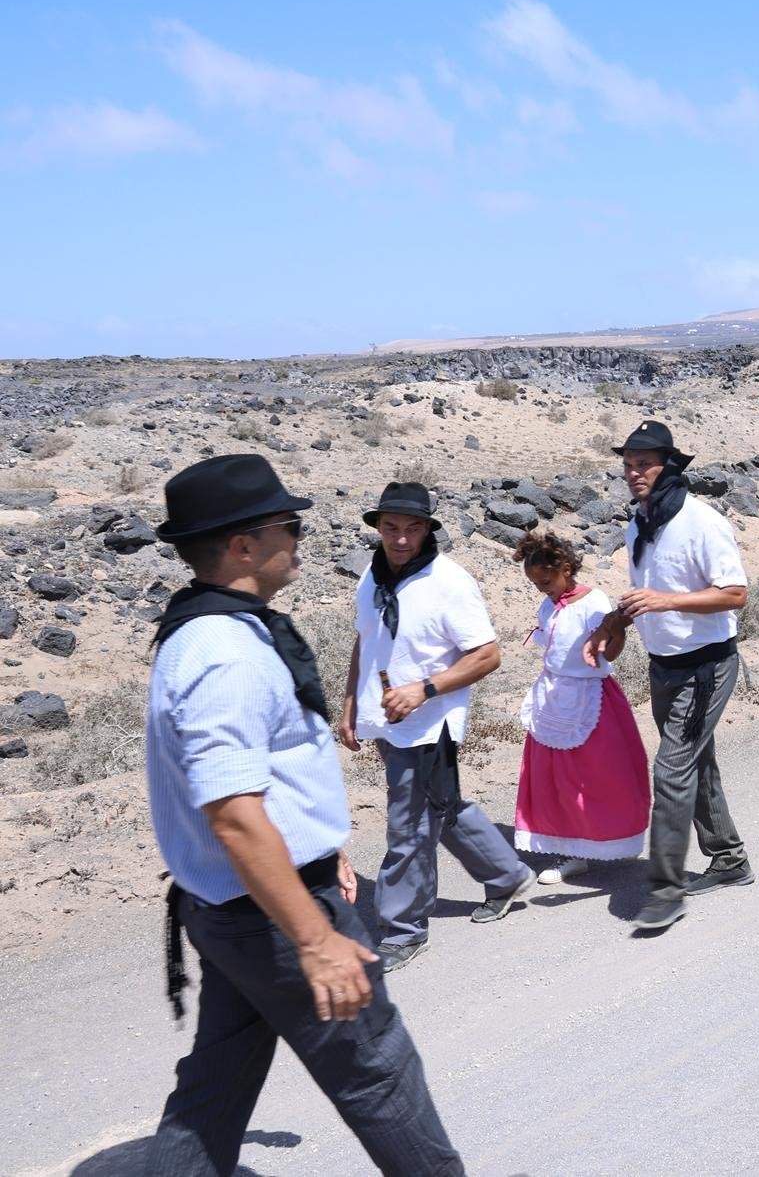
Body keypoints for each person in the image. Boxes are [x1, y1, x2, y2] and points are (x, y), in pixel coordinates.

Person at [145, 455, 461, 1174]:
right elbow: (233, 813)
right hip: (276, 915)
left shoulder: (207, 630)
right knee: (380, 1078)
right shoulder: (225, 652)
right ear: (242, 545)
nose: (298, 538)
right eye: (288, 525)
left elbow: (264, 781)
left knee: (213, 1091)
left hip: (236, 904)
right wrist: (316, 939)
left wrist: (324, 845)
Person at [340, 482, 533, 973]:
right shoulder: (372, 576)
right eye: (391, 528)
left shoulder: (449, 581)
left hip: (429, 724)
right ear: (377, 528)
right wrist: (350, 703)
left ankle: (402, 928)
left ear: (428, 529)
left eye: (413, 528)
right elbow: (366, 641)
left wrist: (423, 690)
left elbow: (487, 654)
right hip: (388, 719)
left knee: (408, 823)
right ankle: (506, 874)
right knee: (439, 806)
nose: (401, 538)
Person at [584, 421, 752, 933]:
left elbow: (735, 594)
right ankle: (728, 858)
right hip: (665, 664)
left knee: (672, 769)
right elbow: (647, 592)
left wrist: (666, 602)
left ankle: (664, 891)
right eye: (628, 466)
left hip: (707, 665)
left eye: (644, 465)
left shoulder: (702, 522)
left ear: (669, 467)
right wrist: (614, 623)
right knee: (696, 762)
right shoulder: (641, 523)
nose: (633, 474)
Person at [510, 529, 650, 884]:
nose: (542, 589)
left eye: (546, 582)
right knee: (554, 778)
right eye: (536, 584)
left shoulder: (593, 602)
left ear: (567, 569)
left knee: (597, 776)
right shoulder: (548, 606)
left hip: (591, 701)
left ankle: (608, 838)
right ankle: (570, 850)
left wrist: (615, 632)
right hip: (554, 699)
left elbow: (610, 651)